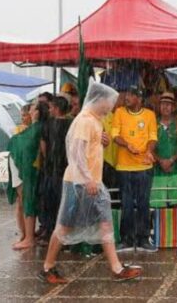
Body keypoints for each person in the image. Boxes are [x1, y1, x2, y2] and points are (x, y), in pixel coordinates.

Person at [39, 80, 142, 284]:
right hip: (79, 183)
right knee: (65, 226)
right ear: (100, 100)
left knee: (105, 223)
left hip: (92, 182)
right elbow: (76, 153)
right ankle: (48, 267)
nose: (111, 106)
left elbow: (89, 147)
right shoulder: (85, 120)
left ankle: (116, 268)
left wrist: (102, 141)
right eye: (110, 102)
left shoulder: (95, 120)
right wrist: (88, 180)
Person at [112, 85, 158, 252]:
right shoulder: (119, 113)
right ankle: (126, 239)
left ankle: (144, 238)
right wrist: (127, 145)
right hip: (124, 166)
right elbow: (115, 135)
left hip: (144, 166)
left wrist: (149, 151)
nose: (127, 97)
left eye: (131, 95)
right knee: (127, 204)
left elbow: (153, 137)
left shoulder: (150, 115)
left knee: (144, 203)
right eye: (126, 94)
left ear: (139, 98)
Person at [7, 102, 44, 250]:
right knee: (21, 201)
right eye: (22, 115)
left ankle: (29, 237)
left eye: (29, 112)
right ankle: (25, 234)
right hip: (21, 170)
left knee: (27, 200)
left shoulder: (36, 129)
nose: (25, 116)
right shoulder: (24, 131)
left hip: (28, 170)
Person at [36, 95, 72, 245]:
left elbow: (43, 146)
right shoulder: (71, 124)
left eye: (51, 107)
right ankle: (64, 235)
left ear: (56, 109)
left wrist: (48, 161)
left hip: (51, 170)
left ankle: (51, 233)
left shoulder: (48, 124)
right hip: (67, 170)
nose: (49, 110)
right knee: (63, 203)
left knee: (49, 201)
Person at [151, 92, 177, 208]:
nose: (165, 107)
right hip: (157, 170)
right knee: (157, 205)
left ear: (173, 107)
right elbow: (149, 147)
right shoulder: (153, 123)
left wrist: (171, 160)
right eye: (163, 104)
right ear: (159, 106)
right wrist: (160, 161)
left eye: (168, 104)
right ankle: (158, 226)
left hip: (176, 169)